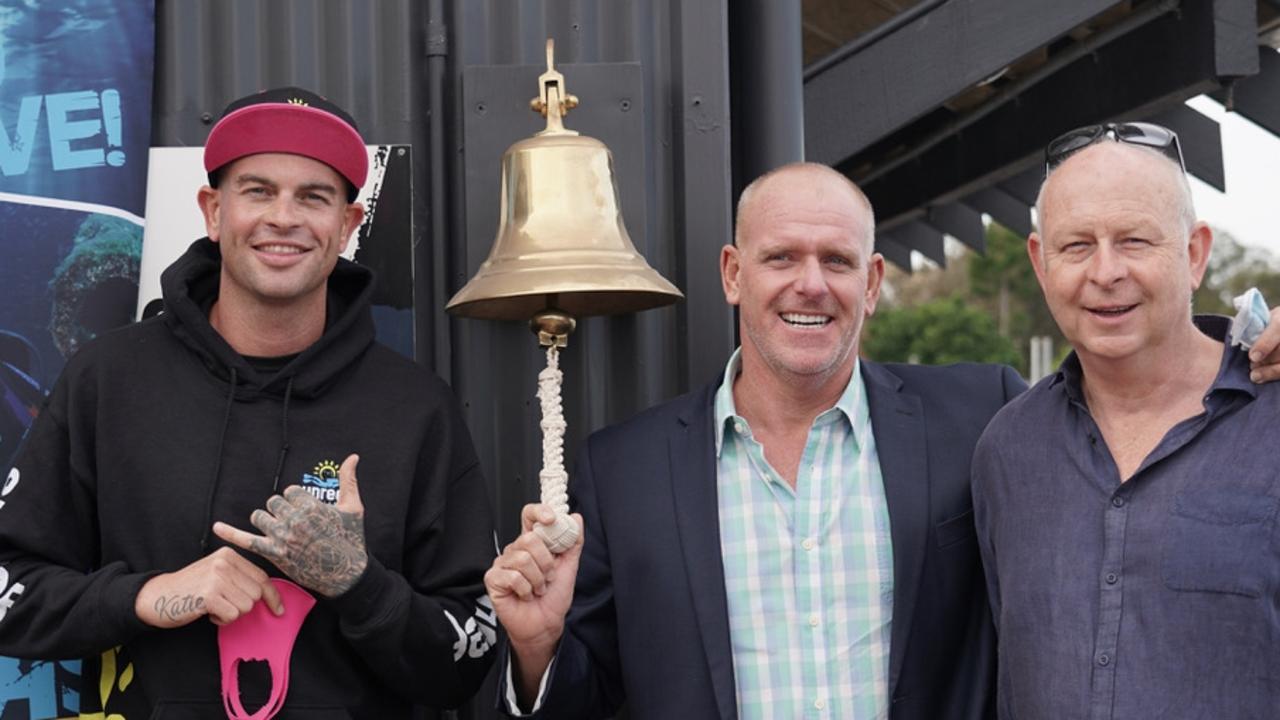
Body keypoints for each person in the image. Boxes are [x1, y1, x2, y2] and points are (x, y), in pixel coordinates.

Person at [0, 87, 497, 717]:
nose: (283, 217)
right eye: (258, 190)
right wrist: (150, 596)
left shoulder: (416, 407)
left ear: (348, 225)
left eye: (314, 196)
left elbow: (473, 656)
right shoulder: (109, 379)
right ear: (212, 211)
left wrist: (358, 585)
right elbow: (9, 588)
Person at [486, 162, 1027, 719]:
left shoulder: (981, 415)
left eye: (837, 260)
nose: (811, 285)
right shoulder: (626, 471)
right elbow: (584, 701)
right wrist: (537, 646)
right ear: (733, 274)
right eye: (782, 257)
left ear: (871, 283)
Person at [972, 123, 1280, 719]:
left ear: (1194, 254)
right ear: (1041, 263)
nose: (1106, 272)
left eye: (1135, 241)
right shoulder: (1006, 451)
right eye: (1077, 245)